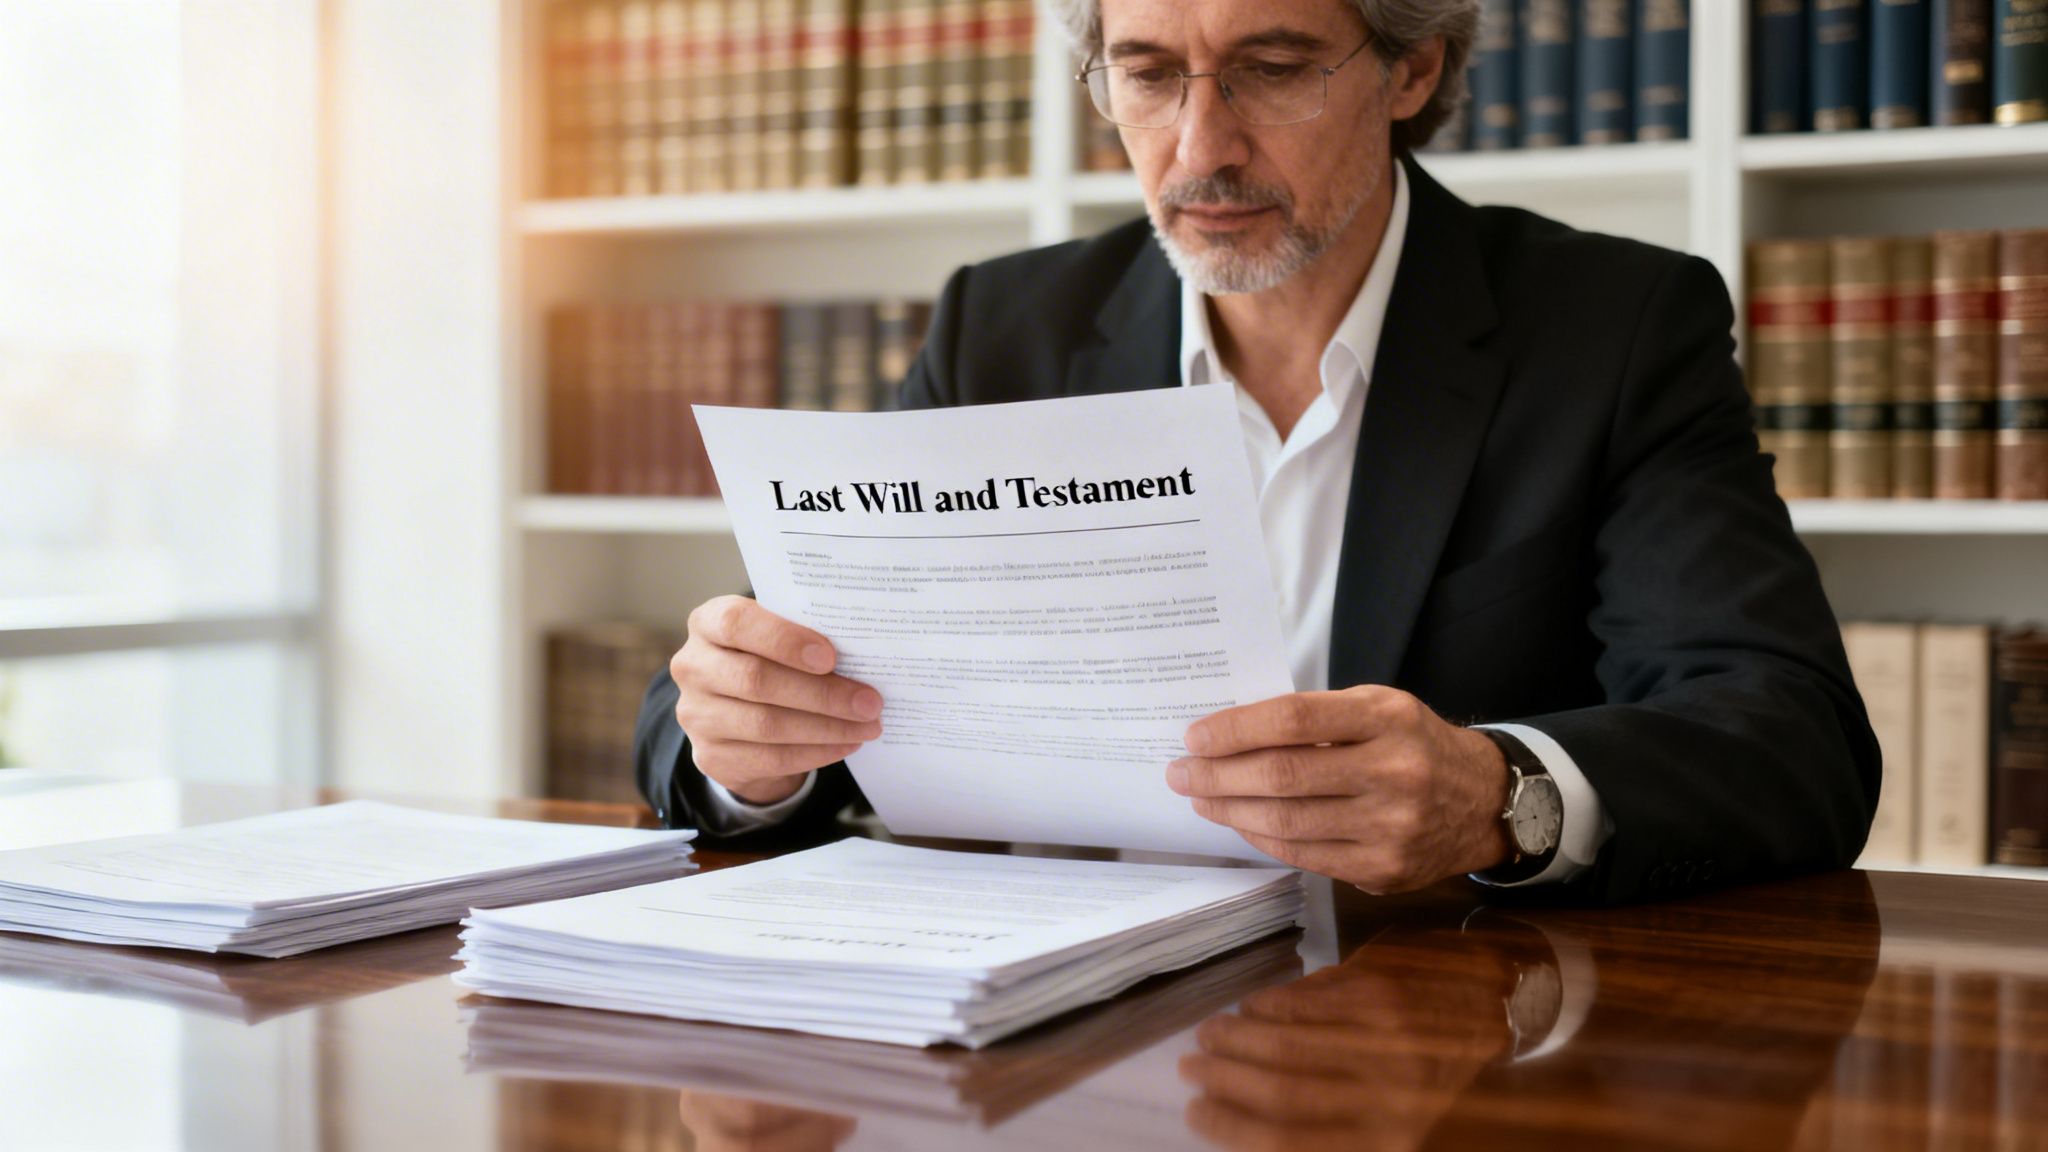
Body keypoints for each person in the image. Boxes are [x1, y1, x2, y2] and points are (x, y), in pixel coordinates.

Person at [635, 0, 1880, 904]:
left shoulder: (1610, 330)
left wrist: (1496, 797)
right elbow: (722, 705)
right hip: (1042, 1018)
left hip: (1441, 1026)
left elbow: (1790, 739)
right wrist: (747, 750)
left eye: (1271, 69)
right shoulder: (1002, 328)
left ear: (1411, 68)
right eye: (1147, 75)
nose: (1199, 148)